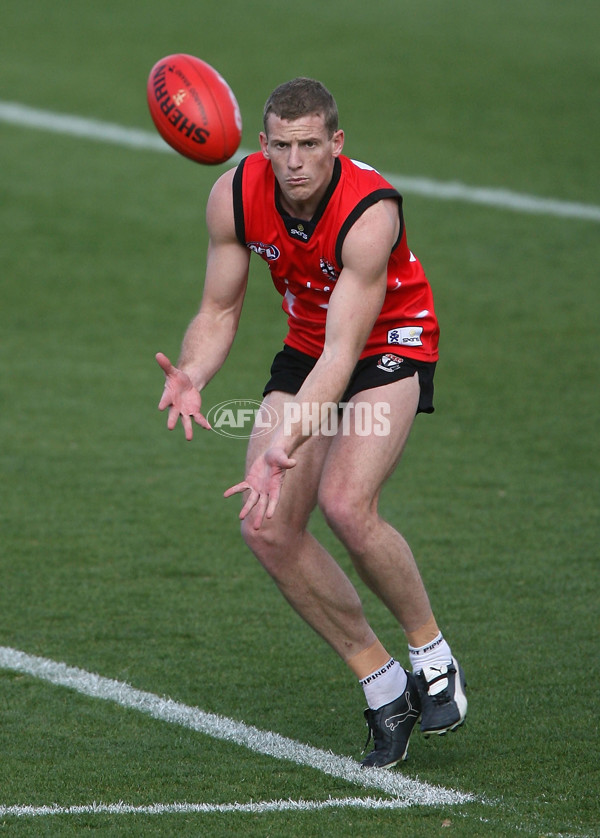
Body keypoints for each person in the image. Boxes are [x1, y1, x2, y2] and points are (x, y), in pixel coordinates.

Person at [156, 77, 467, 768]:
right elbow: (219, 310)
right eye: (281, 146)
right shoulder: (235, 194)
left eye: (309, 145)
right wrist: (193, 371)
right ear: (262, 143)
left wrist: (284, 443)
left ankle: (430, 651)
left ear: (336, 143)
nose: (295, 161)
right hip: (308, 345)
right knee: (265, 524)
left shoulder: (369, 211)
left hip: (388, 343)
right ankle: (385, 687)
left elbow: (344, 354)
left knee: (346, 504)